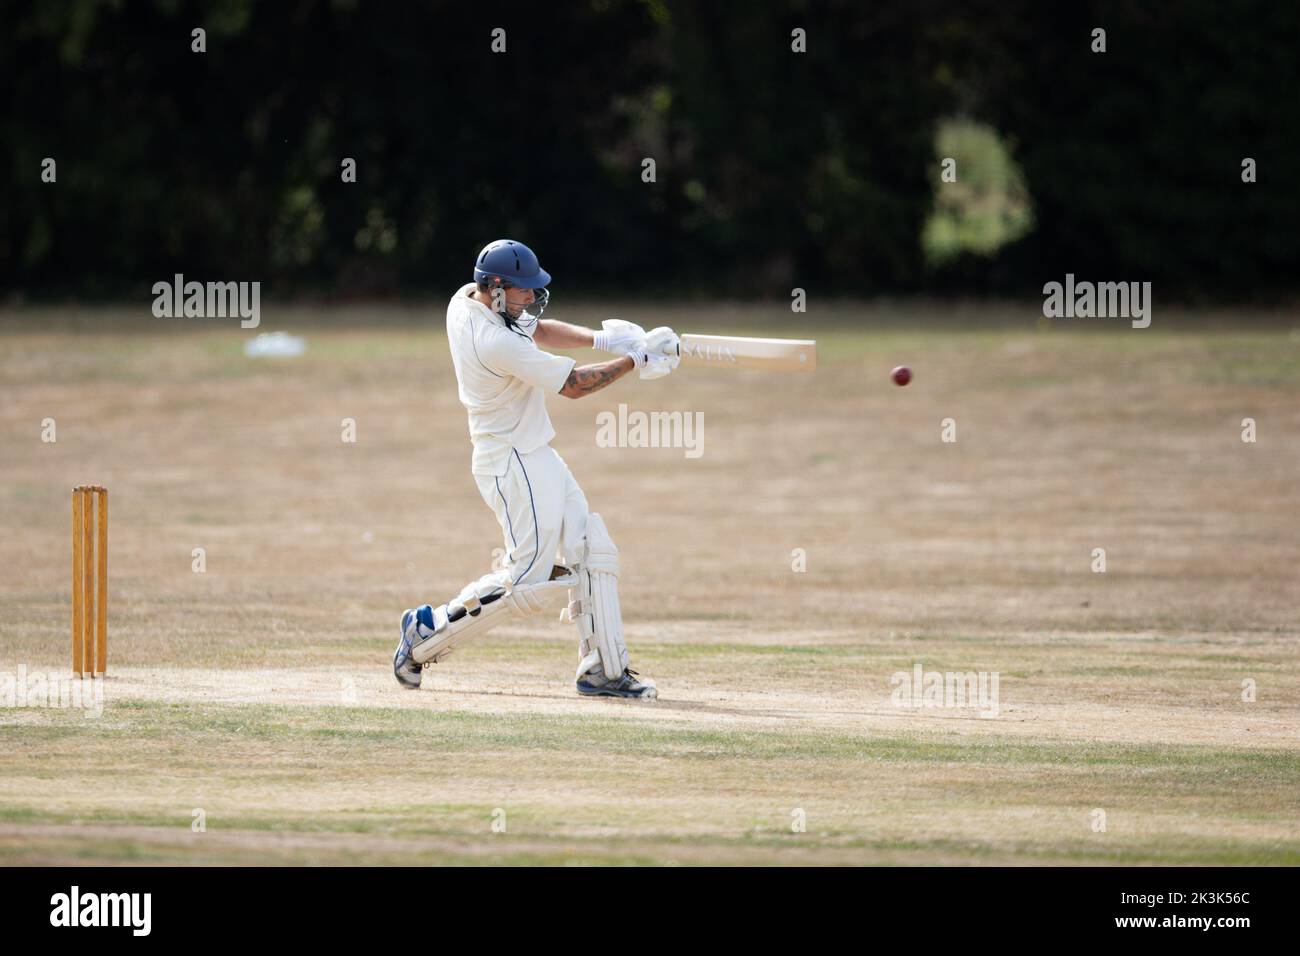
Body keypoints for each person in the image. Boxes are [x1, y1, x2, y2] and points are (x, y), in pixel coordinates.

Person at [392, 239, 679, 698]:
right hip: (509, 460)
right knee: (528, 580)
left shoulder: (469, 297)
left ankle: (603, 669)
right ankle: (424, 633)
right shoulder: (493, 341)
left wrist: (603, 339)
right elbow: (574, 385)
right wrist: (635, 360)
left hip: (534, 451)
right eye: (525, 290)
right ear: (499, 288)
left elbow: (537, 328)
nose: (532, 298)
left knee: (591, 547)